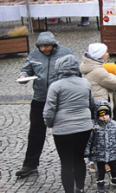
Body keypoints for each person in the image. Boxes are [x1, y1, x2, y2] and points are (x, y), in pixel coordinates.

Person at [15, 32, 77, 179]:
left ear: (54, 44)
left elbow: (76, 73)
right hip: (40, 99)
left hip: (61, 100)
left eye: (46, 45)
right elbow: (26, 69)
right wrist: (23, 76)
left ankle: (72, 162)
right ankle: (30, 164)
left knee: (67, 132)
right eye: (41, 46)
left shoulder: (67, 53)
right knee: (35, 132)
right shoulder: (34, 55)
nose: (43, 49)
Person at [43, 55, 95, 193]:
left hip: (63, 129)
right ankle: (80, 191)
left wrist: (51, 124)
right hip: (84, 127)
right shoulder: (85, 83)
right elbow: (91, 104)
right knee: (79, 158)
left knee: (66, 161)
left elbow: (49, 110)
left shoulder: (56, 86)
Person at [85, 100, 116, 193]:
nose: (104, 117)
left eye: (106, 115)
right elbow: (89, 140)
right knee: (100, 170)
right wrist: (87, 151)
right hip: (98, 153)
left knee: (115, 166)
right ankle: (100, 183)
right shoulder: (94, 126)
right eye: (101, 115)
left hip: (112, 152)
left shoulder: (115, 125)